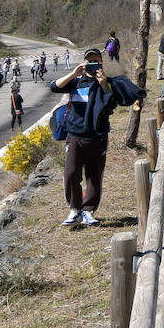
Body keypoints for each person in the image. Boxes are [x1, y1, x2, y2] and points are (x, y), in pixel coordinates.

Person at [51, 47, 145, 227]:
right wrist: (73, 73)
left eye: (96, 61)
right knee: (71, 173)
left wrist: (103, 84)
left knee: (94, 176)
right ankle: (74, 210)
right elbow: (55, 87)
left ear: (101, 63)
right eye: (89, 61)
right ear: (84, 63)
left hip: (97, 136)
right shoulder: (76, 82)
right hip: (74, 134)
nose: (92, 64)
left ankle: (88, 211)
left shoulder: (108, 83)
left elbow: (110, 106)